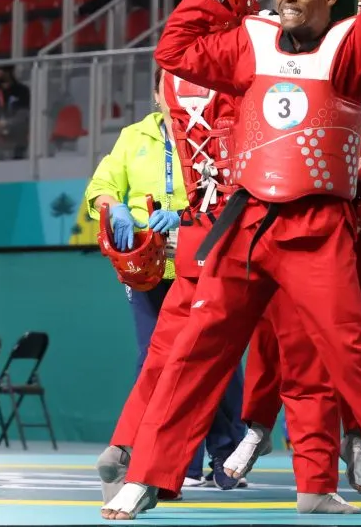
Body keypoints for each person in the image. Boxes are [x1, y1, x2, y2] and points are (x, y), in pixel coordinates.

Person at [102, 0, 361, 523]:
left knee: (354, 355)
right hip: (245, 222)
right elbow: (174, 50)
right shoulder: (249, 42)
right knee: (195, 353)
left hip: (317, 228)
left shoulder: (352, 48)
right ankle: (147, 474)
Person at [230, 0, 361, 507]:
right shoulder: (294, 37)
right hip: (303, 194)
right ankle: (264, 429)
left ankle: (358, 435)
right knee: (284, 330)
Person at [85, 67, 246, 489]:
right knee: (154, 360)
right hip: (148, 268)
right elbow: (101, 186)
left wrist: (186, 219)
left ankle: (226, 455)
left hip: (202, 258)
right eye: (168, 84)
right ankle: (176, 464)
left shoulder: (214, 136)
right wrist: (114, 207)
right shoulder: (133, 137)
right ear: (158, 95)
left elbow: (230, 193)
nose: (178, 92)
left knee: (216, 360)